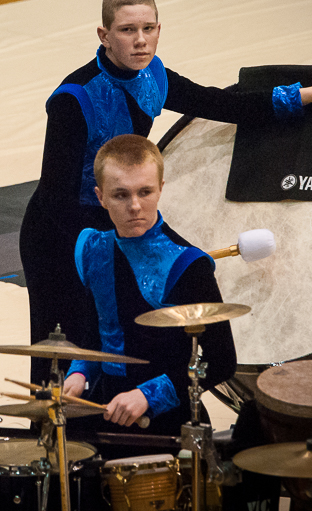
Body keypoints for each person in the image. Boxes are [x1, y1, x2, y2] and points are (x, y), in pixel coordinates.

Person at [20, 0, 312, 386]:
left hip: (119, 212)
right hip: (59, 234)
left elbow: (224, 104)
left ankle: (152, 405)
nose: (140, 41)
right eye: (127, 30)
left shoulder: (152, 76)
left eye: (148, 29)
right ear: (104, 35)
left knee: (163, 298)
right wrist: (109, 249)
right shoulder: (73, 99)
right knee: (68, 349)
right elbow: (55, 199)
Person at [62, 134, 236, 435]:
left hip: (170, 423)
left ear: (161, 189)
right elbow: (94, 334)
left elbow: (221, 360)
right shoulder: (92, 249)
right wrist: (80, 372)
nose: (135, 206)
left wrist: (146, 395)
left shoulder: (188, 265)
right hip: (106, 414)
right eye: (120, 195)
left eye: (145, 192)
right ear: (100, 196)